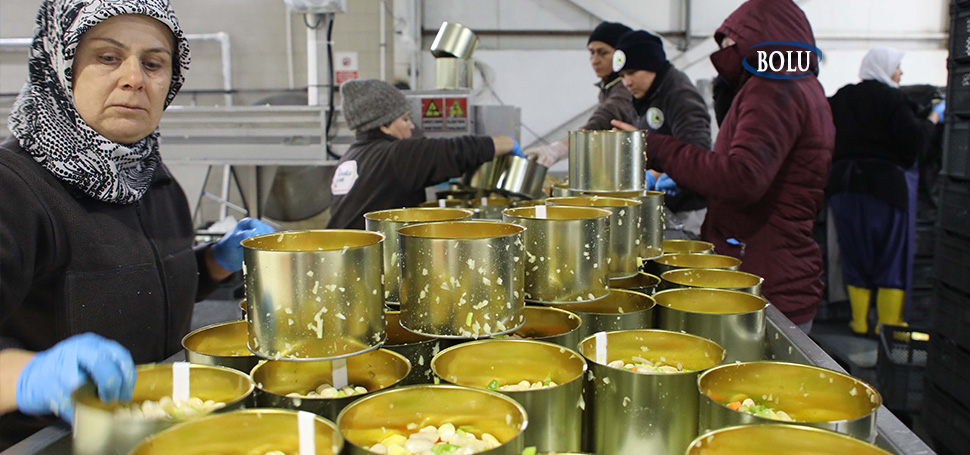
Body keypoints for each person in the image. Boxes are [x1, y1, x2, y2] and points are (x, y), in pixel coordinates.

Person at [0, 0, 273, 447]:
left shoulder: (152, 179)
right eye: (108, 57)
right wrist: (27, 375)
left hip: (154, 430)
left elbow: (143, 283)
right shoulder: (14, 186)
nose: (134, 78)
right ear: (60, 64)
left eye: (153, 63)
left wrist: (213, 264)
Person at [613, 0, 835, 332]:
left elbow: (743, 179)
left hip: (763, 283)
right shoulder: (802, 85)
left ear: (759, 38)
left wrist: (653, 147)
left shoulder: (774, 87)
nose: (725, 53)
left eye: (730, 43)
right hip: (776, 271)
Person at [827, 47, 942, 336]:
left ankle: (858, 322)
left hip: (842, 187)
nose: (900, 73)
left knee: (854, 253)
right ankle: (889, 327)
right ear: (886, 68)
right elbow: (914, 140)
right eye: (898, 67)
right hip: (885, 188)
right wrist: (933, 120)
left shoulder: (842, 97)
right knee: (891, 255)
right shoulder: (892, 98)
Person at [326, 79, 524, 230]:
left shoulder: (352, 156)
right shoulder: (395, 155)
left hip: (340, 260)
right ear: (384, 126)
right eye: (405, 119)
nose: (412, 126)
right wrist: (508, 143)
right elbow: (456, 151)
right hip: (366, 264)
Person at [612, 30, 711, 238]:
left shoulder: (679, 96)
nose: (626, 82)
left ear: (651, 65)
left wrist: (665, 174)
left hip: (687, 211)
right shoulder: (645, 96)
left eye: (631, 72)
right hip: (662, 206)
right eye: (622, 76)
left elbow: (698, 153)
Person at [523, 21, 635, 167]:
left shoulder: (626, 87)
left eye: (603, 53)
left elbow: (605, 118)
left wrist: (558, 149)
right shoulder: (608, 87)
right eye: (591, 52)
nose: (595, 60)